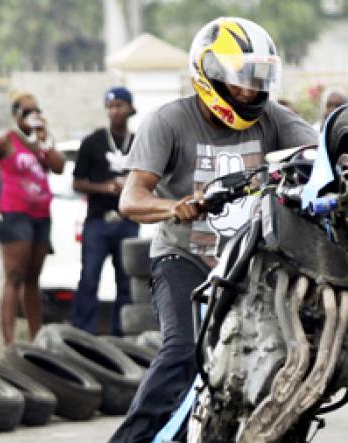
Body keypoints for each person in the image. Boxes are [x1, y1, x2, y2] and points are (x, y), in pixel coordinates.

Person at [109, 17, 317, 443]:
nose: (251, 92)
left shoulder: (274, 118)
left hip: (251, 264)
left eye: (259, 81)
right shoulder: (168, 122)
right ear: (211, 75)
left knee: (288, 358)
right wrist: (175, 206)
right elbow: (131, 200)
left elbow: (318, 155)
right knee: (184, 350)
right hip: (184, 258)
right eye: (241, 81)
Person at [0, 92, 65, 345]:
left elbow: (59, 167)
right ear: (15, 115)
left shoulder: (41, 144)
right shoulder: (6, 141)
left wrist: (45, 138)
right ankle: (8, 342)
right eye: (25, 112)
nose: (32, 116)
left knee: (33, 278)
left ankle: (36, 339)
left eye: (36, 111)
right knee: (15, 275)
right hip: (15, 213)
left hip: (41, 214)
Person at [72, 86, 139, 337]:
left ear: (130, 108)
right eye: (110, 107)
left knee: (127, 281)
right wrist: (106, 187)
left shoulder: (140, 141)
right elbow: (77, 181)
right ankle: (83, 333)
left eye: (119, 106)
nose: (114, 111)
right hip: (98, 221)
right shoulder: (92, 142)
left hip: (128, 221)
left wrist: (129, 185)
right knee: (89, 278)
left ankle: (124, 335)